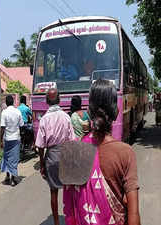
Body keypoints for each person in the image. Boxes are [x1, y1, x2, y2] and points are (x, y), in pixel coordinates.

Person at [62, 79, 141, 225]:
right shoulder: (125, 153)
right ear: (116, 112)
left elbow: (69, 210)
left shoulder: (71, 151)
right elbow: (134, 213)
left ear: (89, 112)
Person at [35, 88, 76, 225]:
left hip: (51, 157)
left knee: (53, 192)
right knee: (69, 190)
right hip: (65, 155)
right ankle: (72, 219)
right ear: (59, 100)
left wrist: (42, 165)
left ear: (47, 101)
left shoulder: (44, 119)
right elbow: (72, 140)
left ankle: (57, 222)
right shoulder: (66, 117)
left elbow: (40, 146)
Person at [0, 95, 24, 186]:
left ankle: (7, 176)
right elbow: (21, 125)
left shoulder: (4, 112)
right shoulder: (18, 111)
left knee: (7, 157)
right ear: (13, 102)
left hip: (7, 138)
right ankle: (13, 179)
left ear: (6, 102)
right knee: (14, 158)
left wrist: (1, 140)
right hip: (16, 138)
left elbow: (2, 127)